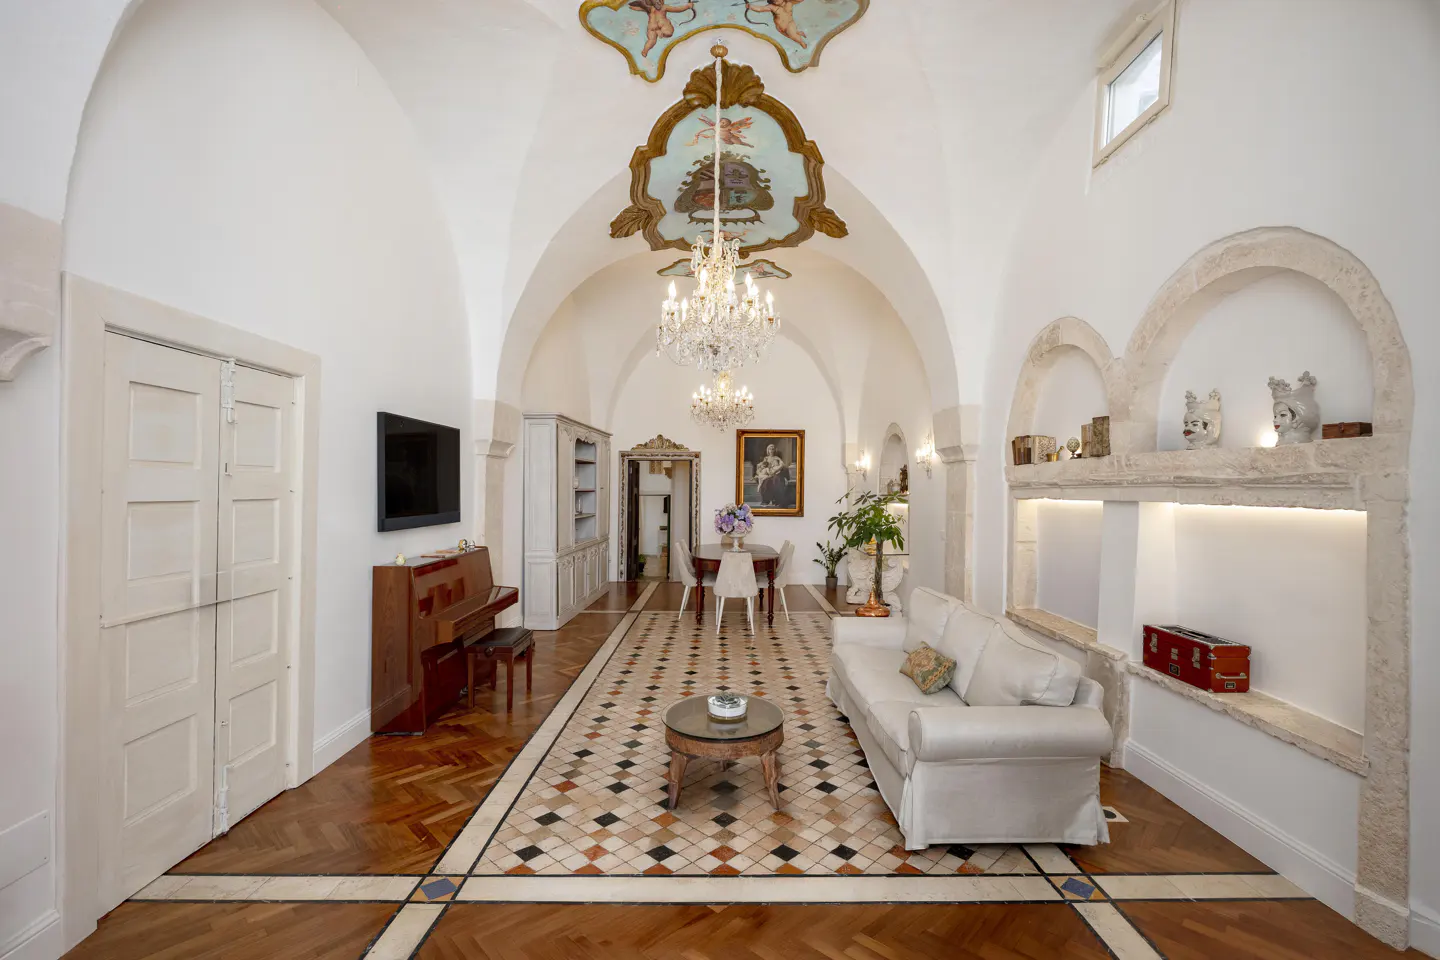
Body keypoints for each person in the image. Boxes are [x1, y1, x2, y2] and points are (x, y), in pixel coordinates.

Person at [629, 0, 695, 57]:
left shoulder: (649, 9)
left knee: (651, 41)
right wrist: (687, 6)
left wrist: (631, 7)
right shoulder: (663, 7)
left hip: (652, 26)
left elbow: (637, 8)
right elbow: (676, 9)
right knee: (668, 32)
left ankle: (645, 51)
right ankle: (660, 32)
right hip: (661, 25)